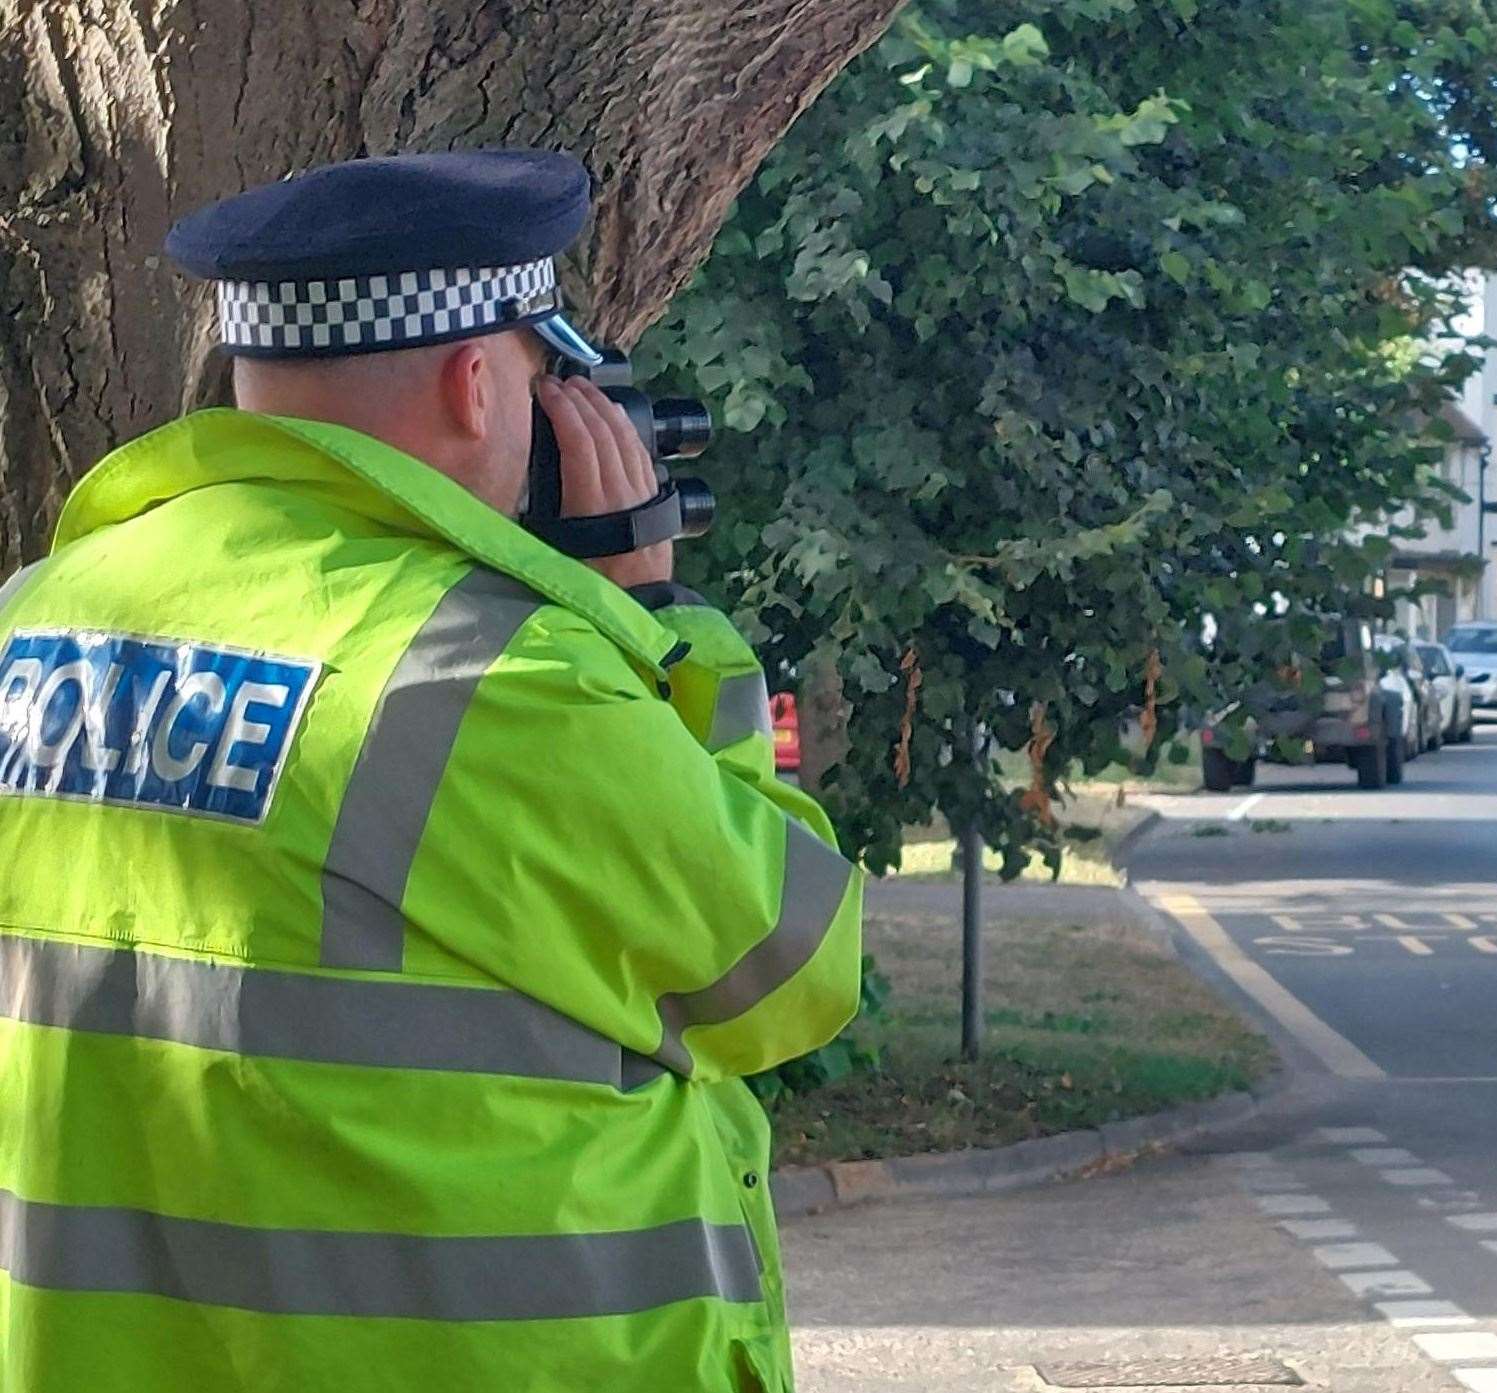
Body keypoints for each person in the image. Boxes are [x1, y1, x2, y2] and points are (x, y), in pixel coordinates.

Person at [0, 150, 862, 1392]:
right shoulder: (499, 677)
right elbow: (783, 968)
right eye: (545, 378)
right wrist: (645, 620)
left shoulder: (37, 615)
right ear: (474, 381)